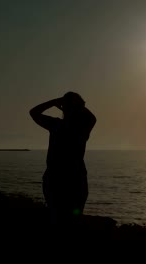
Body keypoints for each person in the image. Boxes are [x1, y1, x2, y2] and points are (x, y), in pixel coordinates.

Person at [30, 91, 96, 231]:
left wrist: (55, 102)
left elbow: (34, 112)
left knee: (58, 218)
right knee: (72, 218)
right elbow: (91, 117)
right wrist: (73, 104)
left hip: (59, 178)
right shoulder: (82, 127)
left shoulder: (57, 125)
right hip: (70, 179)